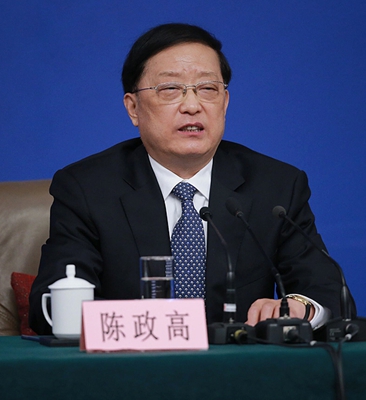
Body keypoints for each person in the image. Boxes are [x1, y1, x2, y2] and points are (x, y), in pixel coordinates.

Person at [29, 23, 346, 335]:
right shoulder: (86, 188)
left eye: (208, 89)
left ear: (225, 102)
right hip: (130, 372)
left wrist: (302, 307)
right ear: (133, 108)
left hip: (242, 373)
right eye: (170, 89)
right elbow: (50, 310)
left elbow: (329, 296)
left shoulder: (276, 186)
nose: (192, 106)